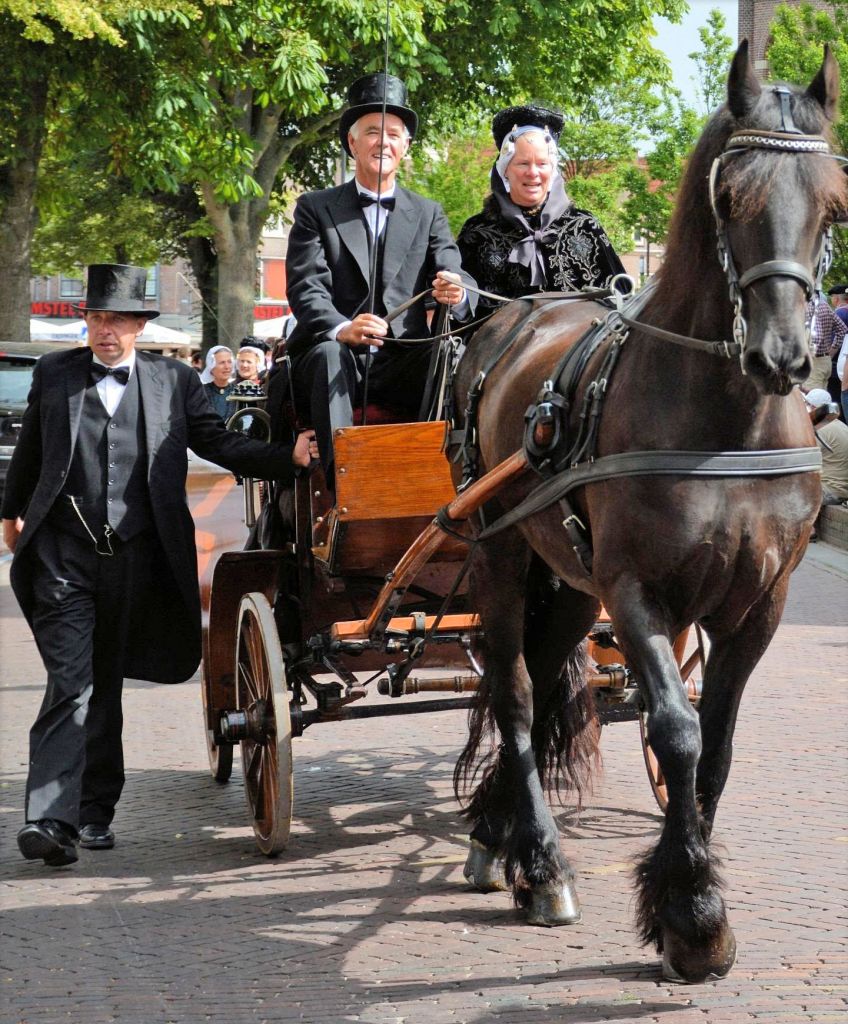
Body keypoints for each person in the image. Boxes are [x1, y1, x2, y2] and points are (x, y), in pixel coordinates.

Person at [1, 265, 317, 867]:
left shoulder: (173, 380)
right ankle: (49, 820)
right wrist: (9, 514)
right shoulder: (55, 372)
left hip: (138, 557)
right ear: (86, 324)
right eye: (97, 319)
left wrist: (288, 458)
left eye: (118, 321)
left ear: (140, 326)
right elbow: (33, 452)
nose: (106, 330)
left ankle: (94, 813)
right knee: (71, 682)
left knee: (104, 683)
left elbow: (217, 443)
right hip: (64, 554)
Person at [284, 72, 478, 488]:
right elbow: (305, 286)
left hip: (403, 360)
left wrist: (456, 290)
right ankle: (345, 490)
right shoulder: (314, 207)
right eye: (373, 132)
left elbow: (452, 266)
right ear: (352, 143)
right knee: (329, 356)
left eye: (393, 135)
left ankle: (446, 482)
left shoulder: (428, 212)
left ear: (405, 147)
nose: (383, 143)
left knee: (450, 354)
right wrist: (342, 329)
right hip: (333, 357)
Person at [457, 105, 626, 319]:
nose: (533, 173)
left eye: (542, 163)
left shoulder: (585, 227)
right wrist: (458, 300)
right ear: (505, 170)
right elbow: (459, 316)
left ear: (553, 169)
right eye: (523, 163)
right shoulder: (477, 233)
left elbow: (620, 302)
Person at [805, 388, 848, 505]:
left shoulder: (819, 428)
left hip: (830, 490)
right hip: (841, 489)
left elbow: (802, 464)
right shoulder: (842, 425)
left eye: (806, 404)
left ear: (814, 408)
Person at [805, 290, 847, 391]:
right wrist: (832, 351)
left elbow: (817, 337)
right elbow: (842, 329)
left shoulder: (810, 307)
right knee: (822, 396)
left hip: (814, 363)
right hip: (826, 361)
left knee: (810, 397)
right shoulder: (825, 306)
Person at [201, 344, 236, 420]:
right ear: (211, 366)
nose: (227, 367)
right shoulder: (201, 393)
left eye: (229, 362)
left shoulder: (238, 392)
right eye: (222, 362)